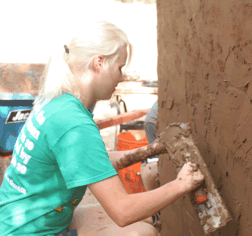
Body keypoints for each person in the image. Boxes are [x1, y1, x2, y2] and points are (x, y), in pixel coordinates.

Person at [0, 21, 204, 236]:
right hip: (30, 231)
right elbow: (123, 212)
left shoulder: (57, 103)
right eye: (120, 67)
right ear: (99, 63)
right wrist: (182, 184)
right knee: (142, 233)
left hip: (19, 220)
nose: (122, 76)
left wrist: (151, 150)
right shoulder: (74, 123)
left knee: (144, 218)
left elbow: (92, 160)